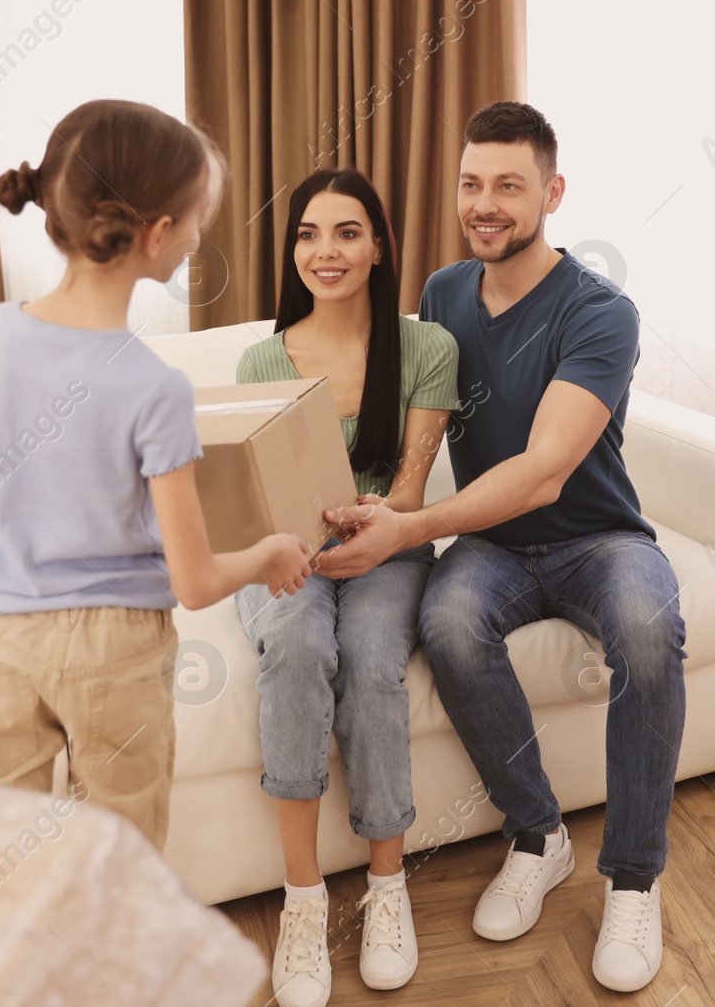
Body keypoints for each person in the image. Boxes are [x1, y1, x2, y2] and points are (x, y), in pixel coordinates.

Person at [315, 101, 686, 993]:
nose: (486, 203)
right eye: (472, 184)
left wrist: (410, 527)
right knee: (446, 622)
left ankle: (635, 879)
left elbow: (547, 469)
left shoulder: (603, 313)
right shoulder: (442, 293)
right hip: (491, 546)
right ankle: (538, 835)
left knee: (646, 625)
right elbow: (419, 431)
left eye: (509, 186)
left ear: (552, 193)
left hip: (597, 537)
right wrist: (372, 507)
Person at [0, 99, 313, 851]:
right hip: (115, 650)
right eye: (197, 218)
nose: (200, 234)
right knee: (118, 867)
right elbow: (195, 580)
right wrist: (270, 554)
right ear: (157, 234)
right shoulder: (151, 385)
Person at [234, 168, 458, 1007]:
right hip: (285, 545)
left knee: (369, 657)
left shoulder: (427, 347)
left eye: (346, 232)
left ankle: (387, 887)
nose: (325, 252)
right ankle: (301, 903)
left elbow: (411, 489)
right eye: (308, 234)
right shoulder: (263, 355)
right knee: (296, 644)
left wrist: (371, 524)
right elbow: (253, 488)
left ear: (378, 245)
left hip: (389, 544)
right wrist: (295, 537)